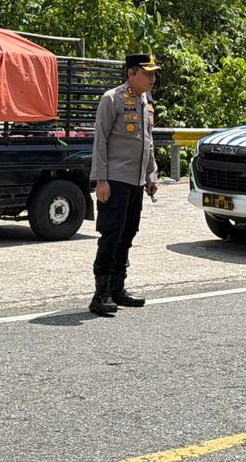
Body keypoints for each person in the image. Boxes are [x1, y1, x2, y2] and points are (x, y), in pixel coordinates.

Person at [88, 53, 162, 316]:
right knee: (111, 235)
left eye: (154, 73)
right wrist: (101, 180)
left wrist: (151, 175)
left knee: (128, 234)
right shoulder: (112, 99)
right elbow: (100, 141)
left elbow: (147, 141)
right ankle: (102, 293)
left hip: (136, 181)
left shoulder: (146, 101)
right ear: (132, 73)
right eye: (148, 73)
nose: (153, 78)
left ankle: (118, 288)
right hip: (115, 180)